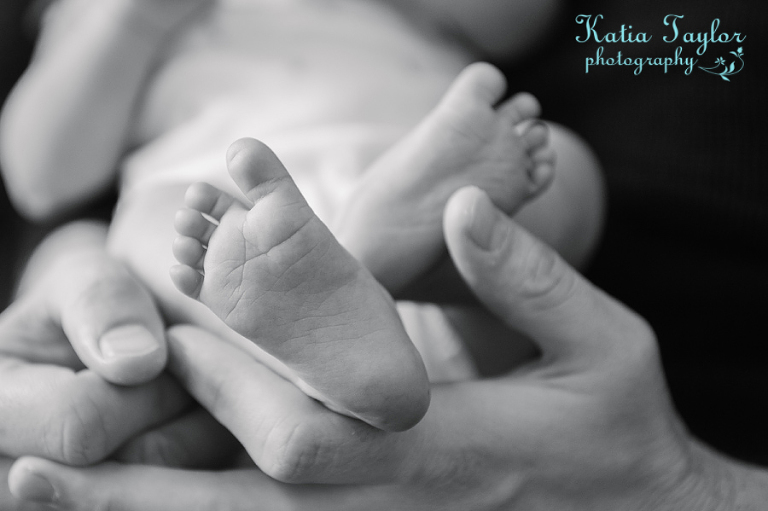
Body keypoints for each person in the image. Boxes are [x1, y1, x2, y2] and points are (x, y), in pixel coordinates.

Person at [0, 0, 603, 430]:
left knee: (562, 164)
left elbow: (520, 19)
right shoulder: (86, 14)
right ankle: (324, 317)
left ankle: (365, 253)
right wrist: (131, 16)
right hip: (234, 234)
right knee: (142, 224)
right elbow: (41, 176)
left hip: (443, 234)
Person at [3, 187, 768, 510]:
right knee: (159, 212)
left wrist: (690, 488)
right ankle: (360, 301)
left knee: (555, 181)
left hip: (519, 343)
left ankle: (374, 267)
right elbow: (42, 176)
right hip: (241, 271)